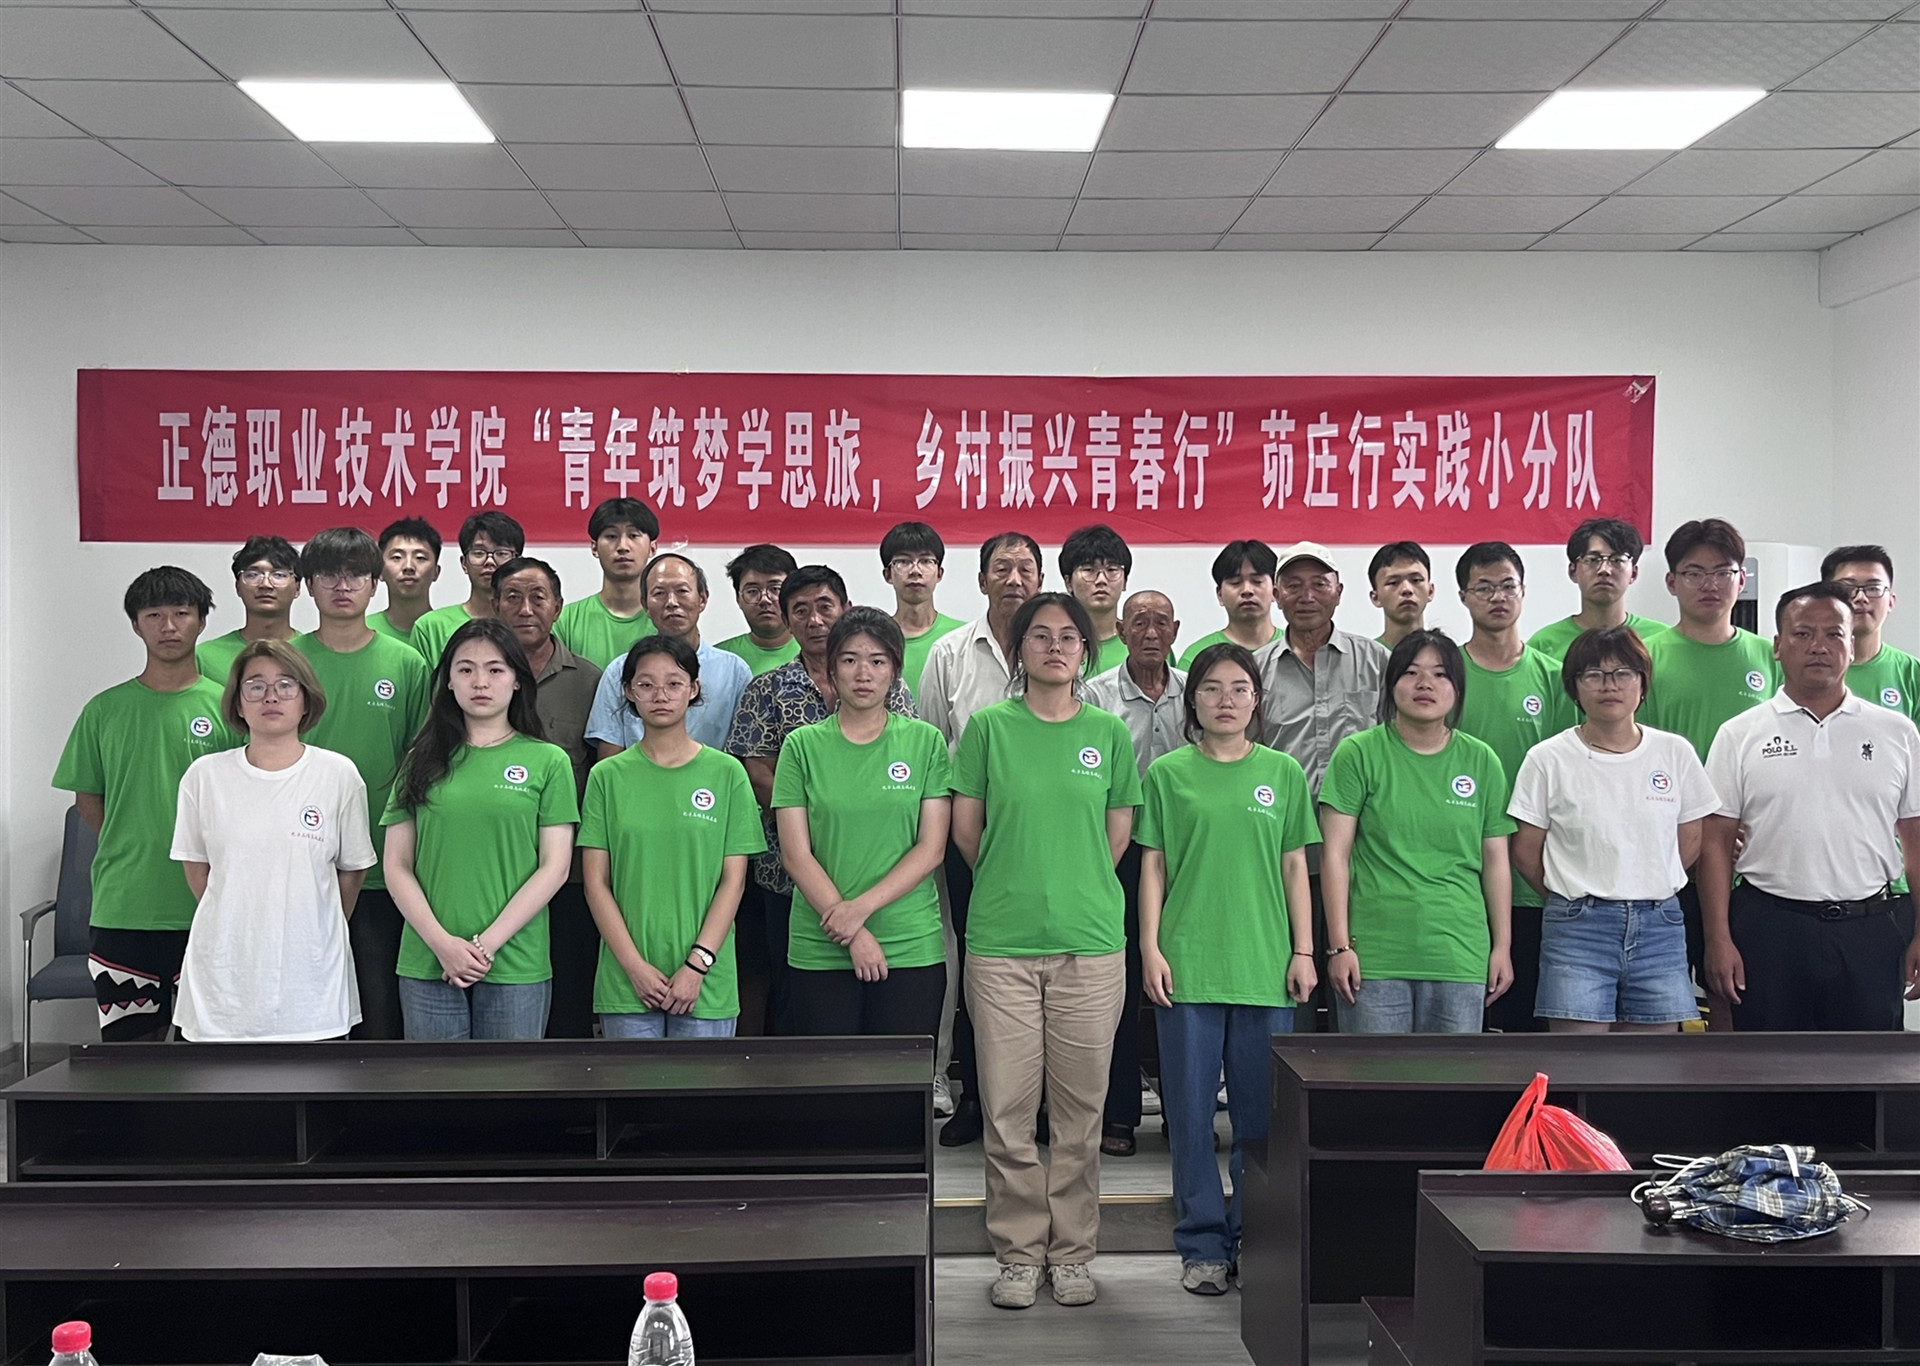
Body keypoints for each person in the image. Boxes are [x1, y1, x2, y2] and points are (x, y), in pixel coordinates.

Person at [952, 591, 1140, 1311]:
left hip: (1090, 945)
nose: (1055, 647)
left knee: (1079, 1114)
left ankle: (1073, 1253)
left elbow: (1116, 834)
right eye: (1040, 635)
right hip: (1001, 944)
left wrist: (1074, 884)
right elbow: (967, 832)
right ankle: (1019, 1253)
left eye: (1069, 637)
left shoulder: (1108, 734)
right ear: (1019, 648)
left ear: (1086, 651)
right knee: (1006, 1111)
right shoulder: (988, 729)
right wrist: (1016, 879)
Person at [1138, 642, 1317, 1296]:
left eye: (1240, 688)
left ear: (1257, 700)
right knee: (1189, 1119)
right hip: (1187, 965)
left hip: (1265, 966)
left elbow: (1295, 866)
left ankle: (1251, 1237)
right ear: (1192, 701)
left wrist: (1304, 950)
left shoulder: (1283, 773)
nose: (1226, 700)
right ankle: (1202, 1243)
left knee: (1258, 1121)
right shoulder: (1167, 774)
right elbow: (1153, 866)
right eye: (1211, 688)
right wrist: (1150, 948)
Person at [1701, 582, 1920, 1031]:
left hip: (1870, 929)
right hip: (1769, 927)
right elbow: (1715, 843)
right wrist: (1718, 937)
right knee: (1768, 1066)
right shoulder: (1739, 734)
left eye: (1834, 634)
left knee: (1868, 1067)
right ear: (1777, 646)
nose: (1818, 646)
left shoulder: (1896, 733)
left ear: (1852, 647)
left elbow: (1915, 839)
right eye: (1802, 634)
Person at [729, 567, 917, 1035]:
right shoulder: (766, 688)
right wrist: (821, 816)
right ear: (787, 620)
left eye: (824, 607)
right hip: (787, 873)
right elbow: (756, 771)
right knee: (794, 1001)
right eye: (800, 610)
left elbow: (906, 763)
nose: (814, 620)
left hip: (877, 870)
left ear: (845, 609)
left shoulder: (891, 687)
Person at [55, 567, 238, 1040]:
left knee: (213, 1052)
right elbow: (88, 799)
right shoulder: (103, 710)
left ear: (202, 621)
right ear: (136, 625)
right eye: (154, 615)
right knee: (130, 1053)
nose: (169, 626)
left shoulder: (228, 710)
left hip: (209, 904)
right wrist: (129, 840)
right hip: (124, 906)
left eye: (182, 613)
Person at [1509, 627, 1717, 1034]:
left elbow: (1691, 840)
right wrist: (1572, 894)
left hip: (1659, 925)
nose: (1609, 685)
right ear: (1574, 687)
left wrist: (1645, 877)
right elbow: (1526, 852)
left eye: (1623, 673)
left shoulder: (1674, 752)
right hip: (1577, 928)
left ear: (1643, 682)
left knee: (1652, 1066)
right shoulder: (1547, 759)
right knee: (1580, 1060)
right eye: (1593, 675)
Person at [382, 618, 577, 1040]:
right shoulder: (420, 760)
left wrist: (484, 946)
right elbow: (396, 865)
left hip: (515, 963)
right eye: (465, 669)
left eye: (495, 669)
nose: (480, 682)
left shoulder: (548, 761)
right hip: (428, 960)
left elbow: (555, 867)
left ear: (517, 680)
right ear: (449, 682)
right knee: (432, 1083)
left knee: (510, 1083)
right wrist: (443, 945)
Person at [171, 640, 375, 1042]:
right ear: (237, 703)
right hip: (223, 983)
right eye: (255, 686)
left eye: (285, 685)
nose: (271, 697)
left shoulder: (338, 775)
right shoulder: (204, 776)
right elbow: (197, 870)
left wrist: (314, 924)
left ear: (306, 699)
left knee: (317, 1082)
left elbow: (351, 872)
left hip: (313, 984)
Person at [1318, 629, 1514, 1034]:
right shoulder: (1358, 754)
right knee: (1376, 1074)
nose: (1425, 683)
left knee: (1452, 1074)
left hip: (1459, 953)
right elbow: (1335, 855)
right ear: (1391, 685)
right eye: (1411, 672)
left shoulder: (1482, 761)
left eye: (1440, 674)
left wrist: (1502, 947)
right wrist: (1339, 946)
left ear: (1457, 689)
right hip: (1375, 956)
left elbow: (1496, 861)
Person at [774, 608, 953, 1037]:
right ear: (832, 668)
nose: (863, 673)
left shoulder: (925, 742)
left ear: (894, 670)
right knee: (829, 1076)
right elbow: (796, 855)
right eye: (850, 659)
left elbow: (930, 848)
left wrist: (859, 911)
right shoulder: (801, 746)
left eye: (877, 660)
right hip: (821, 945)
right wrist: (852, 932)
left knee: (902, 1076)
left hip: (909, 944)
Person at [919, 530, 1043, 1148]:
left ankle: (1041, 1106)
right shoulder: (949, 654)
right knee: (976, 968)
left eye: (1025, 568)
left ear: (1040, 580)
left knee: (1046, 970)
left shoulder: (1059, 650)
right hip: (970, 838)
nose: (1014, 579)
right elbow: (932, 750)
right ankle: (974, 1097)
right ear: (981, 580)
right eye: (1002, 568)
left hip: (1045, 840)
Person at [581, 635, 765, 1038]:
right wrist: (635, 968)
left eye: (674, 683)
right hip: (627, 983)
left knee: (701, 1084)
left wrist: (697, 965)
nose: (660, 695)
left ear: (694, 689)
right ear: (628, 691)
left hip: (706, 984)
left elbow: (733, 882)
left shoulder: (727, 773)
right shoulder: (606, 778)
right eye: (646, 684)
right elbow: (596, 884)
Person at [293, 527, 431, 1041]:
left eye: (355, 575)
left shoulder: (406, 662)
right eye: (328, 574)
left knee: (379, 1012)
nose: (342, 586)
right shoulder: (286, 663)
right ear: (309, 584)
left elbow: (420, 761)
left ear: (376, 584)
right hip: (299, 861)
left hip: (380, 864)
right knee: (303, 1007)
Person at [1642, 517, 1779, 1019]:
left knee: (1735, 993)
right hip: (1668, 853)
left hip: (1755, 856)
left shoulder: (1770, 656)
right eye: (1694, 573)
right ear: (1671, 581)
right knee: (1663, 998)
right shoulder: (1645, 658)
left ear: (1742, 579)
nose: (1709, 585)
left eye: (1722, 572)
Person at [1453, 542, 1577, 1033]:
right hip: (1460, 878)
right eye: (1484, 587)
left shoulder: (1553, 677)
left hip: (1533, 882)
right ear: (1463, 596)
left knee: (1528, 1029)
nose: (1497, 597)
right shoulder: (1444, 675)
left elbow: (1570, 774)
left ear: (1524, 592)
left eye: (1507, 586)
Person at [1083, 590, 1184, 1158]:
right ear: (1119, 630)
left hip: (1187, 860)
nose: (1150, 632)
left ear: (1177, 630)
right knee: (1117, 987)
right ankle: (1118, 1113)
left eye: (1161, 622)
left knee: (1182, 984)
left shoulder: (1198, 691)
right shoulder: (1094, 697)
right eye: (1138, 622)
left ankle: (1182, 1112)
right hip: (1116, 856)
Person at [493, 555, 603, 1039]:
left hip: (569, 874)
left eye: (538, 598)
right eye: (512, 597)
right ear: (494, 605)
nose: (525, 608)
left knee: (569, 1004)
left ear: (558, 607)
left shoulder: (590, 680)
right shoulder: (474, 678)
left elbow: (602, 775)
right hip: (495, 873)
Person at [585, 552, 752, 754]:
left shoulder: (734, 672)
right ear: (645, 605)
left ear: (702, 599)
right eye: (659, 593)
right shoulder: (619, 671)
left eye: (682, 591)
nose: (672, 602)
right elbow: (609, 761)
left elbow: (745, 751)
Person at [1527, 518, 1669, 662]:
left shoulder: (1661, 640)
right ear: (1573, 571)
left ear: (1633, 573)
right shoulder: (1544, 646)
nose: (1604, 570)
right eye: (1593, 560)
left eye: (1617, 560)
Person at [409, 511, 525, 667]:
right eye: (479, 553)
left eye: (501, 553)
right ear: (464, 563)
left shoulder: (530, 624)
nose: (489, 561)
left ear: (517, 562)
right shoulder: (431, 627)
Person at [553, 497, 658, 669]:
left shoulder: (664, 619)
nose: (623, 546)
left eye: (633, 536)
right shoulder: (565, 621)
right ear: (594, 548)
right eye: (611, 536)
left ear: (652, 548)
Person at [1824, 544, 1920, 724]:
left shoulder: (1913, 673)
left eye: (1874, 588)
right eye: (1847, 587)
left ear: (1891, 602)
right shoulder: (1796, 668)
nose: (1861, 597)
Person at [199, 535, 301, 682]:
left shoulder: (314, 653)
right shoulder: (203, 657)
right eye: (253, 575)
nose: (265, 584)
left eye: (279, 575)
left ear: (297, 588)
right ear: (238, 587)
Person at [882, 520, 965, 698]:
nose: (915, 571)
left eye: (925, 561)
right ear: (887, 574)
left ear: (939, 573)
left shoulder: (963, 636)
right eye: (903, 561)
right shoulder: (876, 638)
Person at [1178, 539, 1279, 667]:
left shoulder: (1293, 649)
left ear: (1275, 591)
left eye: (1257, 581)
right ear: (1220, 595)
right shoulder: (1195, 657)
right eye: (1235, 582)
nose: (1247, 590)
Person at [1060, 524, 1133, 675]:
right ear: (1068, 582)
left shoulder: (1143, 644)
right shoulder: (1054, 645)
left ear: (1125, 581)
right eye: (1089, 570)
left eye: (1111, 570)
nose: (1101, 580)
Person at [718, 543, 801, 676]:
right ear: (738, 598)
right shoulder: (719, 659)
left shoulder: (819, 653)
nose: (764, 600)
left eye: (775, 589)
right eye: (752, 591)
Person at [368, 517, 442, 646]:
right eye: (397, 557)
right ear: (380, 570)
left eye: (420, 558)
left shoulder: (450, 632)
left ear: (436, 572)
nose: (408, 566)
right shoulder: (363, 632)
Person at [1368, 542, 1435, 649]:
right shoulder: (1366, 656)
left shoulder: (1447, 655)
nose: (1406, 589)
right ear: (1376, 597)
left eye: (1416, 580)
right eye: (1393, 582)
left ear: (1430, 591)